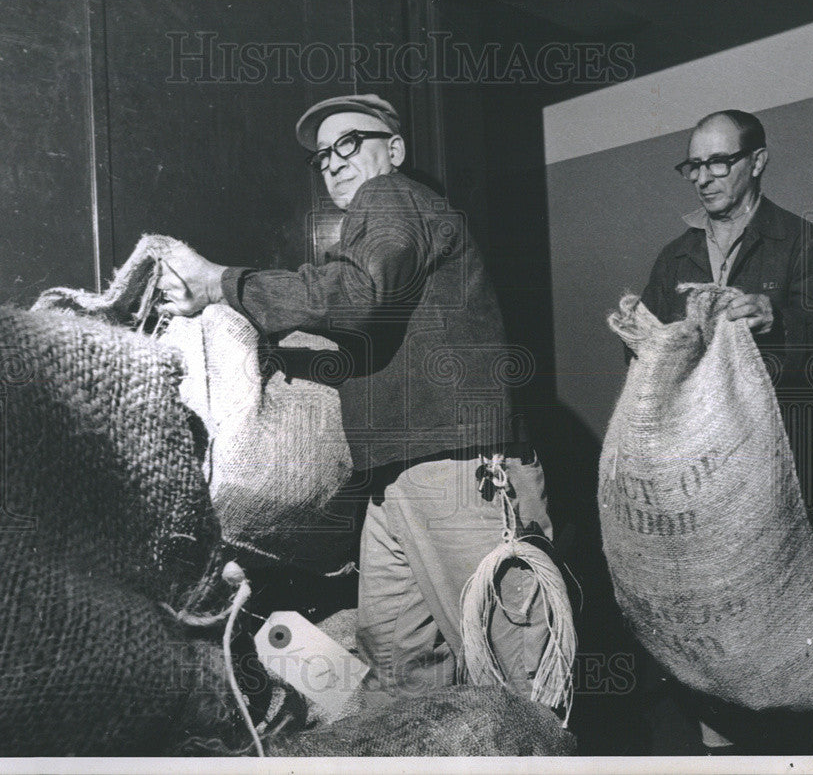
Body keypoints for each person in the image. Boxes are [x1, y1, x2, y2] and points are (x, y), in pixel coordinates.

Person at [155, 94, 556, 703]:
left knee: (517, 672)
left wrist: (220, 283)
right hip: (402, 476)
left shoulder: (390, 196)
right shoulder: (389, 223)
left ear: (392, 151)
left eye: (350, 144)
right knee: (399, 674)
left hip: (455, 466)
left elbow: (360, 294)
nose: (334, 162)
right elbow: (377, 331)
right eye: (322, 155)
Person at [638, 109, 813, 754]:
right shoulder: (674, 255)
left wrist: (776, 317)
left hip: (799, 454)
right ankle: (725, 742)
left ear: (757, 161)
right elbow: (645, 365)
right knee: (725, 604)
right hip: (715, 474)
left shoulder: (809, 247)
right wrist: (650, 342)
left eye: (718, 162)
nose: (703, 178)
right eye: (693, 165)